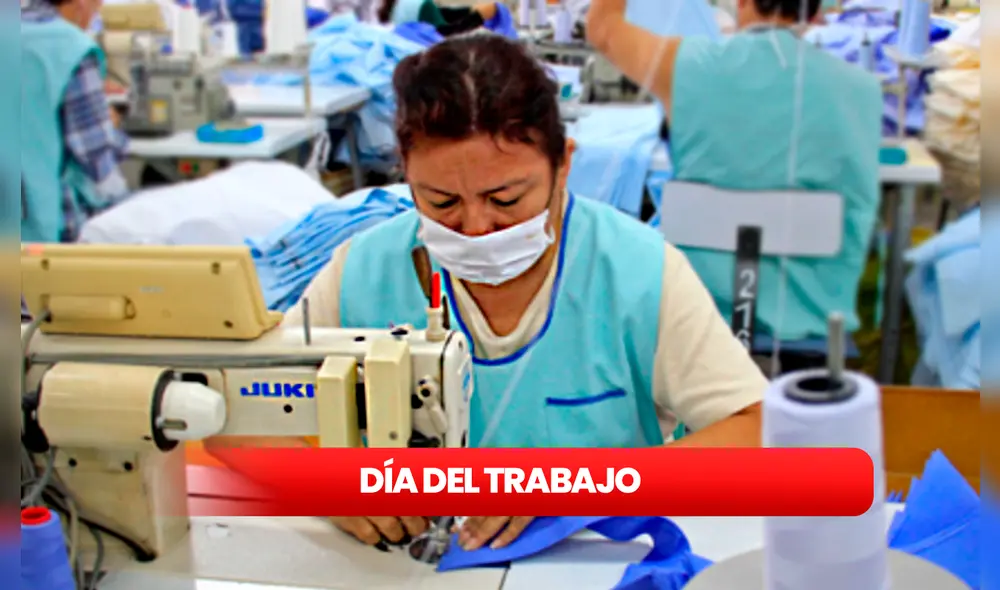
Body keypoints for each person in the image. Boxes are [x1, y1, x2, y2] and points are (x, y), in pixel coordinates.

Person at [206, 35, 765, 553]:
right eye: (442, 202)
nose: (475, 227)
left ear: (564, 165)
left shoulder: (637, 271)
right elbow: (227, 410)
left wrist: (576, 483)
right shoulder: (366, 271)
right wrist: (319, 482)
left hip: (591, 561)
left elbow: (758, 428)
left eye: (505, 199)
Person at [587, 0, 883, 345]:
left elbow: (602, 28)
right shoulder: (861, 90)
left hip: (694, 321)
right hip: (813, 325)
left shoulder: (686, 65)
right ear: (816, 10)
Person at [21, 0, 131, 244]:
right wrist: (112, 130)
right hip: (42, 224)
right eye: (96, 9)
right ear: (82, 4)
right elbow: (94, 152)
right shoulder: (71, 48)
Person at [378, 0, 499, 37]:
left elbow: (437, 14)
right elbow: (444, 35)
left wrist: (469, 11)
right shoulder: (422, 4)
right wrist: (478, 17)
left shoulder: (396, 4)